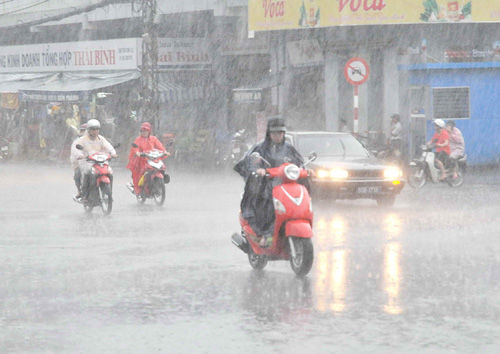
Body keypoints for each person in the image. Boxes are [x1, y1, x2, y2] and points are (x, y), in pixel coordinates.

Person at [234, 117, 306, 247]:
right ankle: (264, 233)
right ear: (269, 133)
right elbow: (248, 164)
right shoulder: (260, 148)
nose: (277, 136)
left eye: (280, 133)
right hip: (265, 185)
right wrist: (258, 171)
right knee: (267, 203)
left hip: (285, 186)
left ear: (284, 133)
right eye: (274, 133)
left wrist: (305, 170)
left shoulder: (289, 149)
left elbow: (299, 163)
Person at [72, 119, 117, 202]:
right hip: (87, 162)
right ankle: (84, 195)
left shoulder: (101, 139)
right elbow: (76, 149)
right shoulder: (82, 140)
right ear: (88, 130)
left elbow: (109, 147)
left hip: (101, 161)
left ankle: (110, 192)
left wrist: (113, 153)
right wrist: (80, 155)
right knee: (87, 174)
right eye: (93, 129)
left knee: (110, 172)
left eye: (97, 129)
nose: (95, 131)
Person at [126, 122, 168, 195]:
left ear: (149, 131)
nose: (144, 132)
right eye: (142, 131)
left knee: (161, 167)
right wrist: (137, 152)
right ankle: (137, 189)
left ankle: (160, 180)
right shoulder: (138, 139)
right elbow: (135, 148)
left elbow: (160, 146)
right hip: (141, 160)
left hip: (152, 159)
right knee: (138, 173)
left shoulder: (153, 139)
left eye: (146, 131)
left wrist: (164, 152)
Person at [70, 123, 88, 202]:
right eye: (82, 130)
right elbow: (75, 151)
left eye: (85, 130)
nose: (83, 132)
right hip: (80, 162)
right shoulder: (77, 141)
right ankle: (80, 192)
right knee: (77, 174)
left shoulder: (96, 139)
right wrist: (81, 156)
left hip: (94, 161)